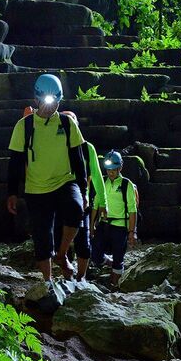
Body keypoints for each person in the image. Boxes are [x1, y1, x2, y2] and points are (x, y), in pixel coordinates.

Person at [6, 74, 88, 281]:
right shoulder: (24, 126)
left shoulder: (68, 124)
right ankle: (48, 281)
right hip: (36, 188)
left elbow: (78, 160)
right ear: (36, 100)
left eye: (55, 101)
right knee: (42, 238)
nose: (50, 106)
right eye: (46, 101)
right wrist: (12, 193)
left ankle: (61, 256)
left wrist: (84, 192)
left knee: (76, 209)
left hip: (64, 181)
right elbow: (15, 161)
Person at [60, 111, 105, 283]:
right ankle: (67, 277)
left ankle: (81, 277)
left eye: (73, 121)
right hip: (60, 202)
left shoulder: (87, 148)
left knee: (83, 241)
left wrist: (103, 202)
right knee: (61, 241)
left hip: (82, 202)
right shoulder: (55, 147)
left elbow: (97, 176)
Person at [91, 150, 138, 289]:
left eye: (113, 169)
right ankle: (107, 262)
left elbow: (132, 209)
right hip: (104, 224)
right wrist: (91, 226)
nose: (110, 172)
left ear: (120, 168)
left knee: (119, 257)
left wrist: (132, 232)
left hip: (120, 226)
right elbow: (96, 204)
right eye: (108, 169)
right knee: (95, 254)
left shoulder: (126, 184)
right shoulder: (103, 182)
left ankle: (114, 285)